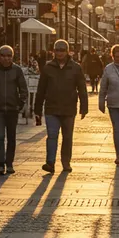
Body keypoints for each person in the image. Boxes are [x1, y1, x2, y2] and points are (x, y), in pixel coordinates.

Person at [34, 39, 89, 173]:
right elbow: (41, 89)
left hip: (69, 108)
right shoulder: (48, 68)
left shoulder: (75, 68)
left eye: (62, 50)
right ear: (53, 51)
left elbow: (82, 88)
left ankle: (66, 162)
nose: (59, 53)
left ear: (67, 51)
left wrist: (84, 106)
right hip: (51, 108)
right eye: (57, 50)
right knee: (52, 135)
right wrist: (37, 109)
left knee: (67, 136)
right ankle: (50, 163)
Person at [0, 45, 28, 175]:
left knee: (11, 137)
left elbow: (23, 88)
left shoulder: (17, 70)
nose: (6, 58)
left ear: (12, 57)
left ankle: (9, 163)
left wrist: (20, 103)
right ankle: (0, 164)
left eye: (9, 56)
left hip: (12, 108)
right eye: (3, 55)